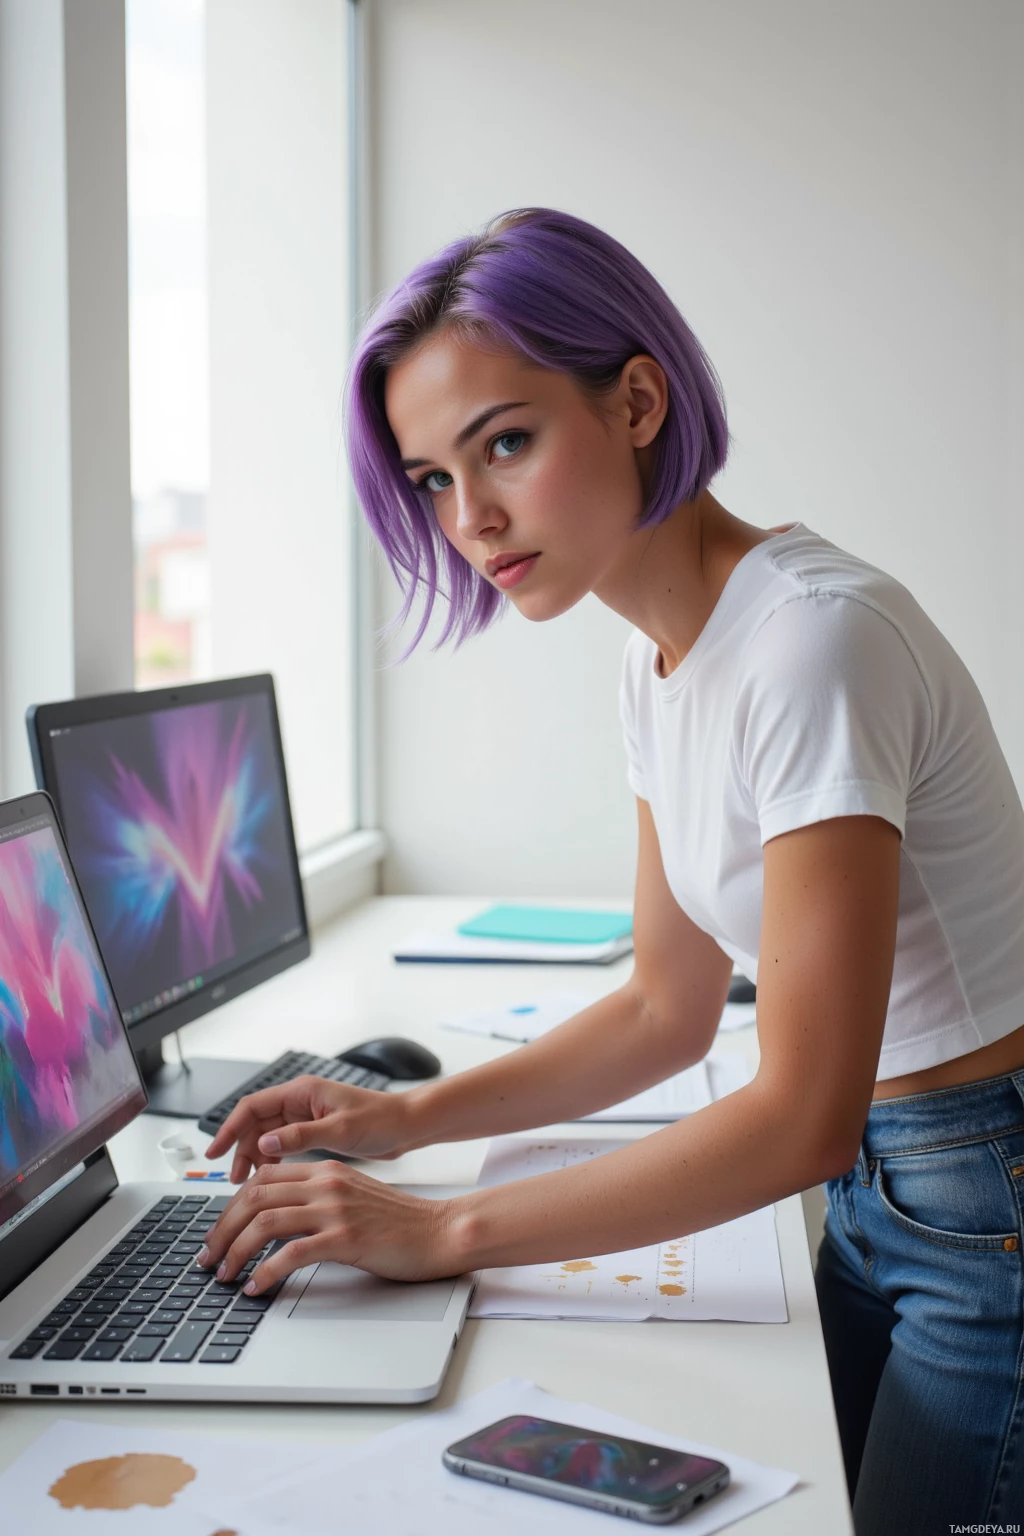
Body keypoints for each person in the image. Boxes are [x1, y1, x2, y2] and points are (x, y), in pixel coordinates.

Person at [201, 209, 1024, 1535]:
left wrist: (440, 1232)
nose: (470, 519)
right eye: (429, 481)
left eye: (504, 443)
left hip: (982, 1196)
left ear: (637, 399)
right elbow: (666, 1008)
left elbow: (802, 1109)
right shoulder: (659, 657)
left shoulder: (813, 644)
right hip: (885, 1190)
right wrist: (399, 1122)